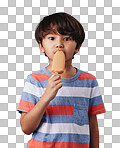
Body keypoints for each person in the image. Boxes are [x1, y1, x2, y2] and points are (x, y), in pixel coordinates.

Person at [17, 12, 106, 148]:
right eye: (52, 38)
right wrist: (46, 96)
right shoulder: (34, 80)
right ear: (41, 46)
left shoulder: (89, 81)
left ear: (77, 47)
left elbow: (92, 124)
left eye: (67, 38)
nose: (59, 44)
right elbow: (26, 128)